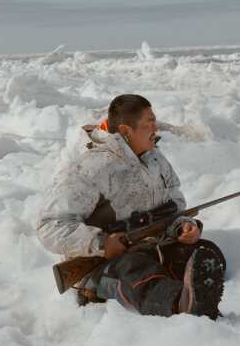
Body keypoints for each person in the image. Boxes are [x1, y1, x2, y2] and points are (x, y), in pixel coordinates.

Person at [36, 94, 227, 317]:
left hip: (154, 247)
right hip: (106, 263)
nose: (156, 127)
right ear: (127, 131)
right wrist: (100, 242)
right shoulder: (89, 168)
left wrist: (182, 225)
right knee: (135, 270)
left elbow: (174, 203)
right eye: (150, 122)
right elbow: (49, 225)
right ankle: (181, 303)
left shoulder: (156, 159)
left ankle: (189, 288)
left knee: (206, 252)